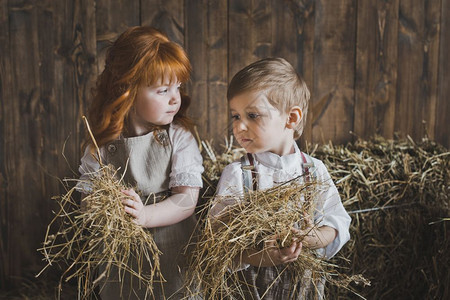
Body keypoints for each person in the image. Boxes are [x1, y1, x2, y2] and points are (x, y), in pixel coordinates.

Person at [77, 26, 203, 299]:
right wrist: (99, 207)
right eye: (162, 90)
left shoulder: (178, 137)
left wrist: (146, 216)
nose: (175, 98)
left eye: (178, 87)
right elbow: (87, 199)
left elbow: (186, 200)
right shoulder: (100, 145)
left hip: (171, 251)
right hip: (121, 257)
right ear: (128, 91)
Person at [210, 57, 351, 299]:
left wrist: (313, 238)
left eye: (252, 115)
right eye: (235, 116)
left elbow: (337, 224)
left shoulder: (314, 172)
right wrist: (261, 257)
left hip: (302, 285)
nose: (239, 127)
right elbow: (218, 241)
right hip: (251, 286)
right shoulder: (238, 174)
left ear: (291, 118)